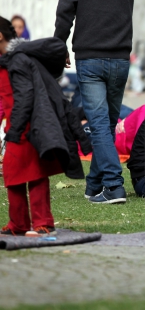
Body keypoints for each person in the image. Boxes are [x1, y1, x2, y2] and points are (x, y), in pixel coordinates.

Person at [54, 0, 145, 204]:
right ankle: (94, 184)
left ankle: (114, 186)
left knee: (98, 125)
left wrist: (58, 45)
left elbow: (65, 11)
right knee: (105, 125)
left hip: (90, 58)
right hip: (120, 59)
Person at [0, 17, 91, 236]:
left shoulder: (17, 60)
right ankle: (21, 223)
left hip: (28, 126)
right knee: (20, 173)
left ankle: (39, 223)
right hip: (20, 125)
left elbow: (25, 97)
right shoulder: (6, 61)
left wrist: (15, 130)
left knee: (29, 171)